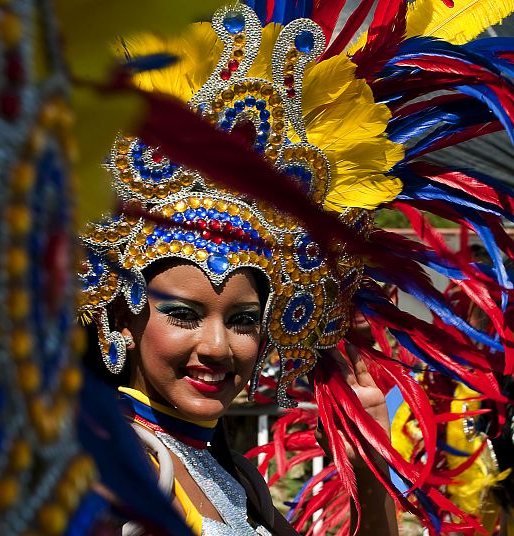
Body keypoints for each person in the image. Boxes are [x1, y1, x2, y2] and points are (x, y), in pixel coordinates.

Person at [78, 1, 514, 534]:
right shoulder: (106, 468)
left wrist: (371, 470)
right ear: (121, 317)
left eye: (241, 320)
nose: (218, 346)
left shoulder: (232, 479)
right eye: (184, 315)